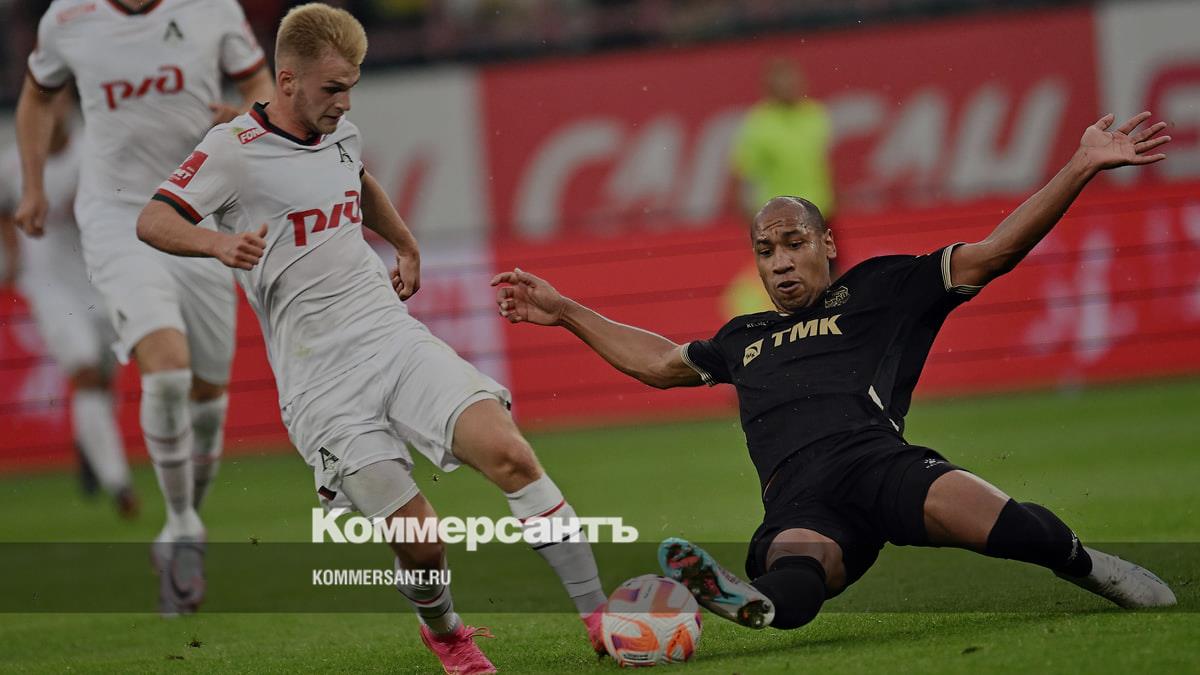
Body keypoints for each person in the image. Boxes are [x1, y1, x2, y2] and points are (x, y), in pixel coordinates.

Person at [492, 112, 1177, 632]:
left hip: (882, 465)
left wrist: (1081, 164)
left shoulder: (882, 287)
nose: (781, 262)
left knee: (1013, 530)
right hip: (801, 499)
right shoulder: (741, 337)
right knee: (798, 568)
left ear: (827, 242)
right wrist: (565, 310)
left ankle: (1094, 567)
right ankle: (749, 601)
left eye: (794, 243)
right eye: (766, 251)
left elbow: (995, 252)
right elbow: (657, 362)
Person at [134, 5, 606, 672]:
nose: (345, 102)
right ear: (287, 80)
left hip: (391, 339)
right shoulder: (231, 150)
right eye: (333, 88)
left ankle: (600, 616)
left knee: (511, 454)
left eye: (351, 86)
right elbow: (153, 219)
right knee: (421, 541)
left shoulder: (342, 133)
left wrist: (405, 243)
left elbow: (356, 180)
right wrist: (216, 244)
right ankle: (445, 631)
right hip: (320, 383)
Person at [15, 0, 274, 615]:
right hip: (116, 218)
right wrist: (32, 185)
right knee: (168, 369)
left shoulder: (212, 9)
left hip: (197, 212)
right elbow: (36, 98)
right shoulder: (68, 18)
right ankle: (182, 528)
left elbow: (259, 84)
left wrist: (254, 121)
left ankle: (186, 518)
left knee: (208, 399)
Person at [0, 90, 139, 519]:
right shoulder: (14, 163)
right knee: (84, 371)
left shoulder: (93, 155)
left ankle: (89, 446)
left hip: (98, 281)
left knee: (104, 378)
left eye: (58, 100)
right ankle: (119, 484)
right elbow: (5, 210)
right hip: (48, 285)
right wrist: (13, 260)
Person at [726, 59, 837, 316]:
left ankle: (828, 324)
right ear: (769, 88)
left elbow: (822, 161)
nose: (789, 86)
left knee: (830, 276)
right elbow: (742, 171)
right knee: (790, 276)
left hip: (819, 211)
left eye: (792, 80)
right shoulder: (758, 124)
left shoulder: (815, 115)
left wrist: (835, 194)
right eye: (782, 82)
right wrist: (749, 217)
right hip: (780, 220)